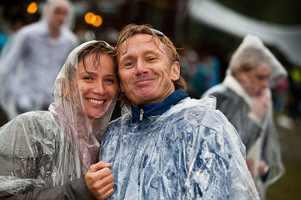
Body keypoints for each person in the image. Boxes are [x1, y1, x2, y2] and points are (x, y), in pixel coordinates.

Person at [99, 24, 259, 199]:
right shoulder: (113, 135)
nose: (140, 69)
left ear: (174, 71)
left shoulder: (205, 128)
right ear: (120, 82)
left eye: (151, 59)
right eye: (129, 63)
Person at [0, 40, 118, 199]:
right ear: (67, 82)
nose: (100, 89)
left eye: (109, 80)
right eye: (88, 78)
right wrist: (79, 190)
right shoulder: (29, 129)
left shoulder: (112, 141)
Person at [203, 34, 286, 199]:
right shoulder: (219, 98)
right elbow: (219, 151)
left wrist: (261, 168)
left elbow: (262, 151)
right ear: (241, 72)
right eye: (260, 77)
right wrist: (254, 118)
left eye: (268, 78)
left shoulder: (254, 99)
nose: (265, 85)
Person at [0, 0, 78, 120]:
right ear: (48, 11)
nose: (61, 17)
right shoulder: (28, 35)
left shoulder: (69, 41)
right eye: (57, 12)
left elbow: (72, 73)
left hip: (53, 106)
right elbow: (7, 66)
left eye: (65, 13)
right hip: (27, 102)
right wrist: (18, 95)